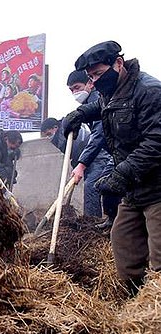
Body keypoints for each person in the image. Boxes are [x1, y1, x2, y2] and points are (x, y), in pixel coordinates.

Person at [62, 41, 161, 295]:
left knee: (159, 255)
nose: (94, 81)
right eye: (91, 76)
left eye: (98, 73)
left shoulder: (149, 91)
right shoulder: (112, 89)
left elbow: (156, 141)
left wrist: (122, 173)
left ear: (118, 63)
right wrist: (82, 113)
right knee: (124, 245)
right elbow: (104, 106)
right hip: (134, 190)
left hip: (157, 187)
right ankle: (133, 302)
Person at [66, 69, 120, 227]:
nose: (75, 92)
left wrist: (82, 164)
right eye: (71, 90)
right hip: (113, 151)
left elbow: (100, 133)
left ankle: (94, 225)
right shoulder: (90, 102)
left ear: (90, 83)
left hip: (117, 152)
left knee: (95, 184)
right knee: (104, 186)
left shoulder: (96, 98)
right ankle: (108, 223)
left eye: (77, 87)